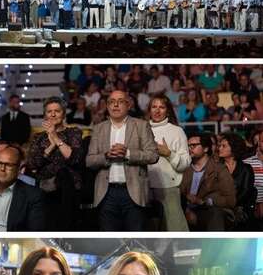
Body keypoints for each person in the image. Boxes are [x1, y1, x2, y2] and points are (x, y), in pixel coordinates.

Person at [86, 90, 160, 231]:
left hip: (134, 192)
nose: (115, 105)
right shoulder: (98, 129)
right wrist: (106, 156)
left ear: (129, 105)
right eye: (111, 102)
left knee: (135, 236)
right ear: (107, 106)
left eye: (120, 101)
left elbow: (153, 155)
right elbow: (89, 160)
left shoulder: (141, 125)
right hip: (106, 193)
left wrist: (128, 154)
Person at [26, 97, 85, 231]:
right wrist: (51, 146)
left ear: (63, 113)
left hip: (68, 191)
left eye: (57, 111)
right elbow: (33, 164)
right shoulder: (38, 137)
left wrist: (55, 137)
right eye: (49, 111)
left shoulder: (73, 132)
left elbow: (74, 159)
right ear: (44, 115)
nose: (53, 114)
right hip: (44, 189)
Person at [146, 95, 190, 231]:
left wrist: (168, 154)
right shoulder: (141, 129)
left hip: (168, 189)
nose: (157, 111)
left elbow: (185, 163)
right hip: (143, 189)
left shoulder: (177, 131)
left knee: (174, 232)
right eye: (154, 107)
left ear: (168, 110)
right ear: (149, 110)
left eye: (161, 107)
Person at [179, 131, 236, 231]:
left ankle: (214, 245)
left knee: (214, 214)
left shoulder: (219, 169)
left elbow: (230, 200)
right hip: (187, 209)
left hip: (210, 210)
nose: (190, 148)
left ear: (206, 148)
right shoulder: (185, 168)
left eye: (194, 145)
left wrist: (204, 201)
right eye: (188, 145)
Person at [216, 132, 256, 228]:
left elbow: (246, 192)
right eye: (219, 146)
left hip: (240, 207)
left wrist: (230, 203)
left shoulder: (246, 168)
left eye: (223, 146)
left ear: (233, 148)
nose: (219, 148)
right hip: (220, 207)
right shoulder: (215, 167)